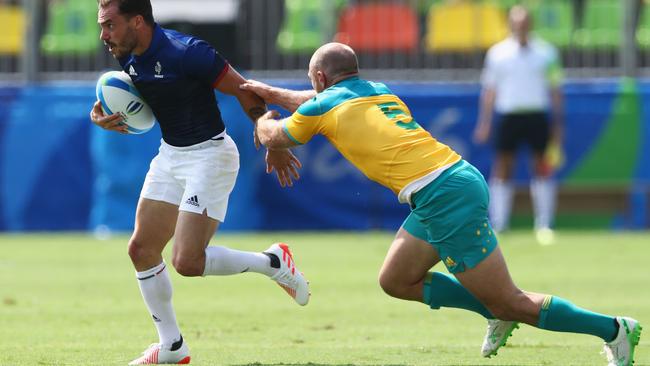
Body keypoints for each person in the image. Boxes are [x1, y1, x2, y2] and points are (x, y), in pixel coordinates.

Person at [241, 42, 642, 366]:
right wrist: (274, 93)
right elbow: (312, 101)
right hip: (447, 184)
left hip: (443, 194)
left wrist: (259, 111)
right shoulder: (374, 90)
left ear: (320, 77)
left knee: (511, 300)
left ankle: (614, 329)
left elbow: (276, 134)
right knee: (396, 280)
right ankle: (493, 311)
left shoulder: (326, 103)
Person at [90, 0, 308, 364]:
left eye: (110, 25)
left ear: (138, 21)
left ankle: (272, 262)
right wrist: (102, 115)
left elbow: (244, 89)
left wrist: (273, 138)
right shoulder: (125, 53)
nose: (103, 35)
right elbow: (141, 97)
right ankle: (172, 345)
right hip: (170, 155)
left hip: (211, 155)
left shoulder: (187, 52)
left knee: (187, 261)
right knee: (140, 250)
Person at [473, 5, 563, 245]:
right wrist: (485, 123)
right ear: (510, 24)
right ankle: (499, 223)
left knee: (541, 167)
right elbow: (489, 91)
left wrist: (557, 123)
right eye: (516, 22)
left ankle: (544, 223)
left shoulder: (547, 53)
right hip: (508, 115)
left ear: (530, 24)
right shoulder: (497, 53)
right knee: (503, 168)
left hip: (536, 115)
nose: (520, 26)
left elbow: (555, 90)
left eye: (524, 22)